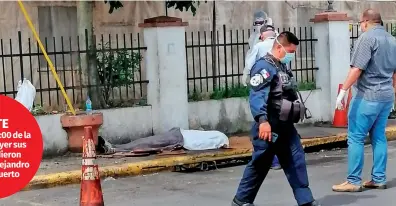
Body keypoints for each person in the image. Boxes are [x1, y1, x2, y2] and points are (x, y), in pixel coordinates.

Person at [232, 31, 321, 206]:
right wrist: (262, 121)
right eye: (290, 51)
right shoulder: (264, 67)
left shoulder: (281, 66)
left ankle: (306, 201)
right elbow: (257, 96)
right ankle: (241, 201)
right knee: (260, 165)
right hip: (269, 126)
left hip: (286, 127)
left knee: (296, 162)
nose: (292, 55)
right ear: (279, 47)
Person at [332, 9, 396, 192]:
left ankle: (353, 180)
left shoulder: (367, 38)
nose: (360, 26)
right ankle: (379, 178)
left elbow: (357, 69)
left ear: (366, 22)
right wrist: (393, 92)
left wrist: (343, 91)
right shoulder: (392, 40)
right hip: (385, 97)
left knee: (356, 138)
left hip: (367, 96)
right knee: (379, 137)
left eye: (360, 23)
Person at [241, 25, 282, 170]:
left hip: (264, 92)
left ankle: (267, 160)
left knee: (262, 127)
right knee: (275, 127)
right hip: (280, 94)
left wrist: (246, 78)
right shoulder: (280, 45)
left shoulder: (259, 46)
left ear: (262, 36)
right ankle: (275, 159)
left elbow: (250, 64)